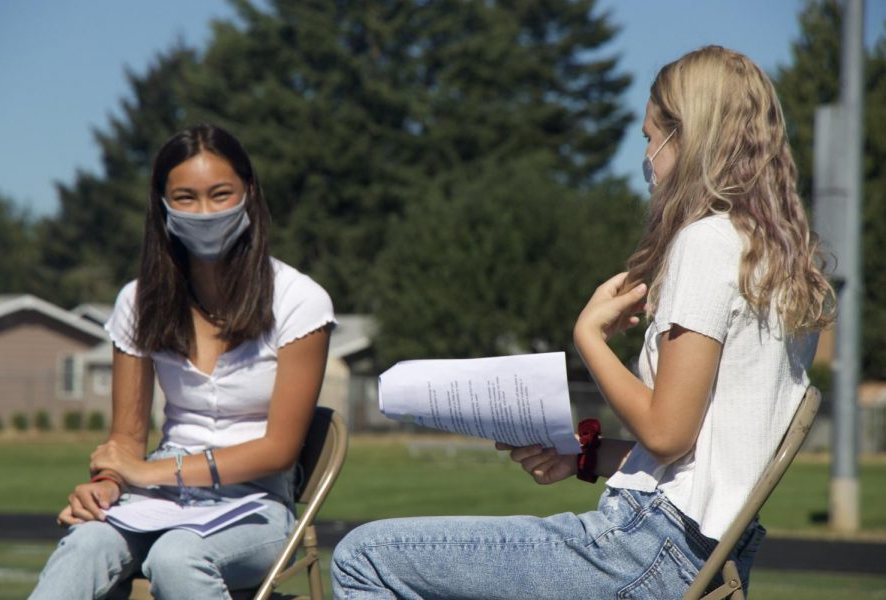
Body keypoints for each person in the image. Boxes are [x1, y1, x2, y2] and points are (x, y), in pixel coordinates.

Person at [330, 45, 835, 599]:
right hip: (698, 557)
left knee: (365, 557)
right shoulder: (775, 266)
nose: (647, 157)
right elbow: (701, 459)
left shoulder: (706, 243)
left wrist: (588, 337)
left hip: (647, 552)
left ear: (687, 138)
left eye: (650, 138)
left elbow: (667, 435)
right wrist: (584, 458)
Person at [30, 123, 336, 599]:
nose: (205, 212)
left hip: (258, 502)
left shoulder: (300, 300)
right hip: (156, 500)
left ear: (249, 195)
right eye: (186, 198)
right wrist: (109, 483)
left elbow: (279, 449)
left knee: (177, 556)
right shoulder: (137, 301)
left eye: (220, 194)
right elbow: (126, 440)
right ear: (163, 205)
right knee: (85, 543)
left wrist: (150, 472)